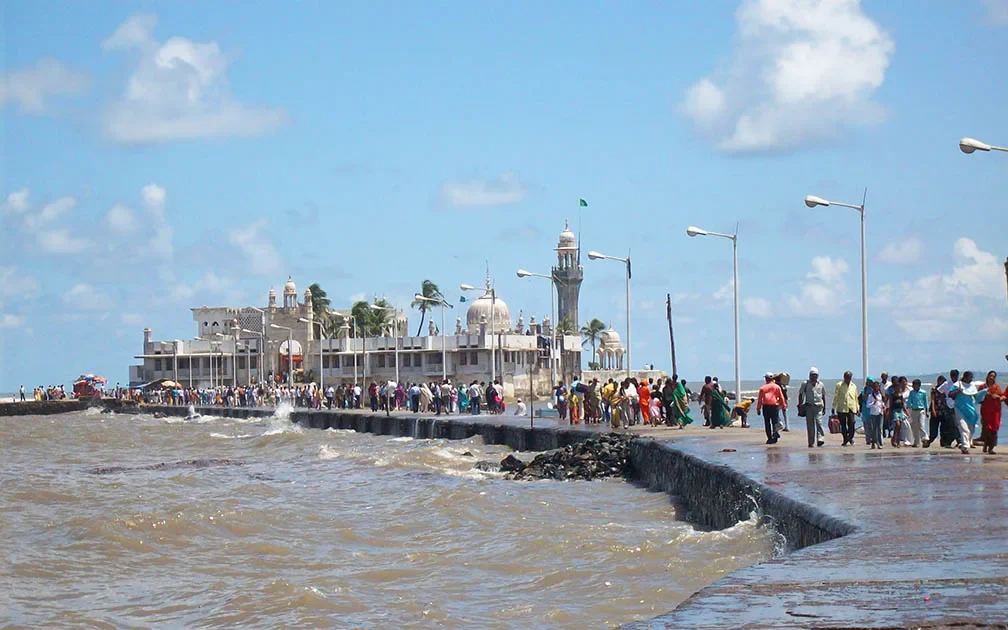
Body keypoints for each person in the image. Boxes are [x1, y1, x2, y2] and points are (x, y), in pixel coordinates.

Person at [946, 370, 981, 453]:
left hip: (970, 409)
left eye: (972, 378)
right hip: (960, 409)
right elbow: (949, 394)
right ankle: (965, 446)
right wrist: (958, 391)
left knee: (971, 428)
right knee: (963, 427)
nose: (971, 379)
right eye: (969, 377)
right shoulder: (957, 384)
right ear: (965, 377)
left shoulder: (972, 386)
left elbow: (976, 397)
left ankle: (966, 443)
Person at [798, 367, 827, 448]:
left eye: (815, 375)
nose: (814, 377)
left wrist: (824, 407)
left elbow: (823, 396)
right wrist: (800, 405)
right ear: (810, 375)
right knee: (810, 425)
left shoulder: (821, 384)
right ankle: (811, 442)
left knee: (819, 423)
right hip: (809, 406)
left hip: (818, 406)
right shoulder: (805, 384)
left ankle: (820, 439)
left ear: (817, 376)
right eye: (812, 375)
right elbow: (801, 395)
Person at [832, 371, 860, 447]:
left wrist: (858, 408)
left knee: (852, 423)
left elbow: (856, 398)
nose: (847, 379)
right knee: (843, 425)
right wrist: (833, 407)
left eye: (849, 377)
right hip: (842, 408)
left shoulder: (853, 386)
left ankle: (850, 438)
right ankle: (845, 439)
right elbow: (836, 396)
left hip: (851, 408)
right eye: (846, 377)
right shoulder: (839, 385)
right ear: (844, 377)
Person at [756, 372, 785, 444]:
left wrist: (758, 409)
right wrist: (783, 406)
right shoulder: (777, 387)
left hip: (766, 406)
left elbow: (760, 400)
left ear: (766, 379)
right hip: (774, 406)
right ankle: (775, 435)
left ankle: (769, 438)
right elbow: (781, 397)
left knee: (767, 423)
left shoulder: (763, 388)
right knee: (775, 422)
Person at [979, 370, 1004, 454]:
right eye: (990, 375)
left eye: (993, 376)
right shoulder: (983, 387)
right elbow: (978, 397)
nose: (991, 377)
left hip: (995, 411)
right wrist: (987, 395)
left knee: (994, 429)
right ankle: (986, 445)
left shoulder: (996, 387)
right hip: (986, 411)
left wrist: (998, 397)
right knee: (986, 429)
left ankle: (991, 448)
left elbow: (1002, 396)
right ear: (987, 376)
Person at [864, 378, 885, 449]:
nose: (876, 388)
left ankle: (879, 442)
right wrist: (873, 403)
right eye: (875, 387)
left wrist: (883, 406)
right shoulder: (870, 396)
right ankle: (873, 442)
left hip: (880, 413)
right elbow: (867, 405)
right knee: (874, 429)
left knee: (879, 428)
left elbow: (882, 402)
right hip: (873, 414)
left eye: (877, 387)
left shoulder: (880, 395)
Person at [907, 378, 928, 447]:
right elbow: (909, 401)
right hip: (914, 410)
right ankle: (916, 442)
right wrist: (908, 409)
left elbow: (925, 402)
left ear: (918, 385)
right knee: (914, 426)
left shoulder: (923, 392)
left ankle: (925, 439)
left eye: (914, 385)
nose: (913, 386)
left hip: (921, 410)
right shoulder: (912, 392)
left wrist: (927, 411)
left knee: (921, 425)